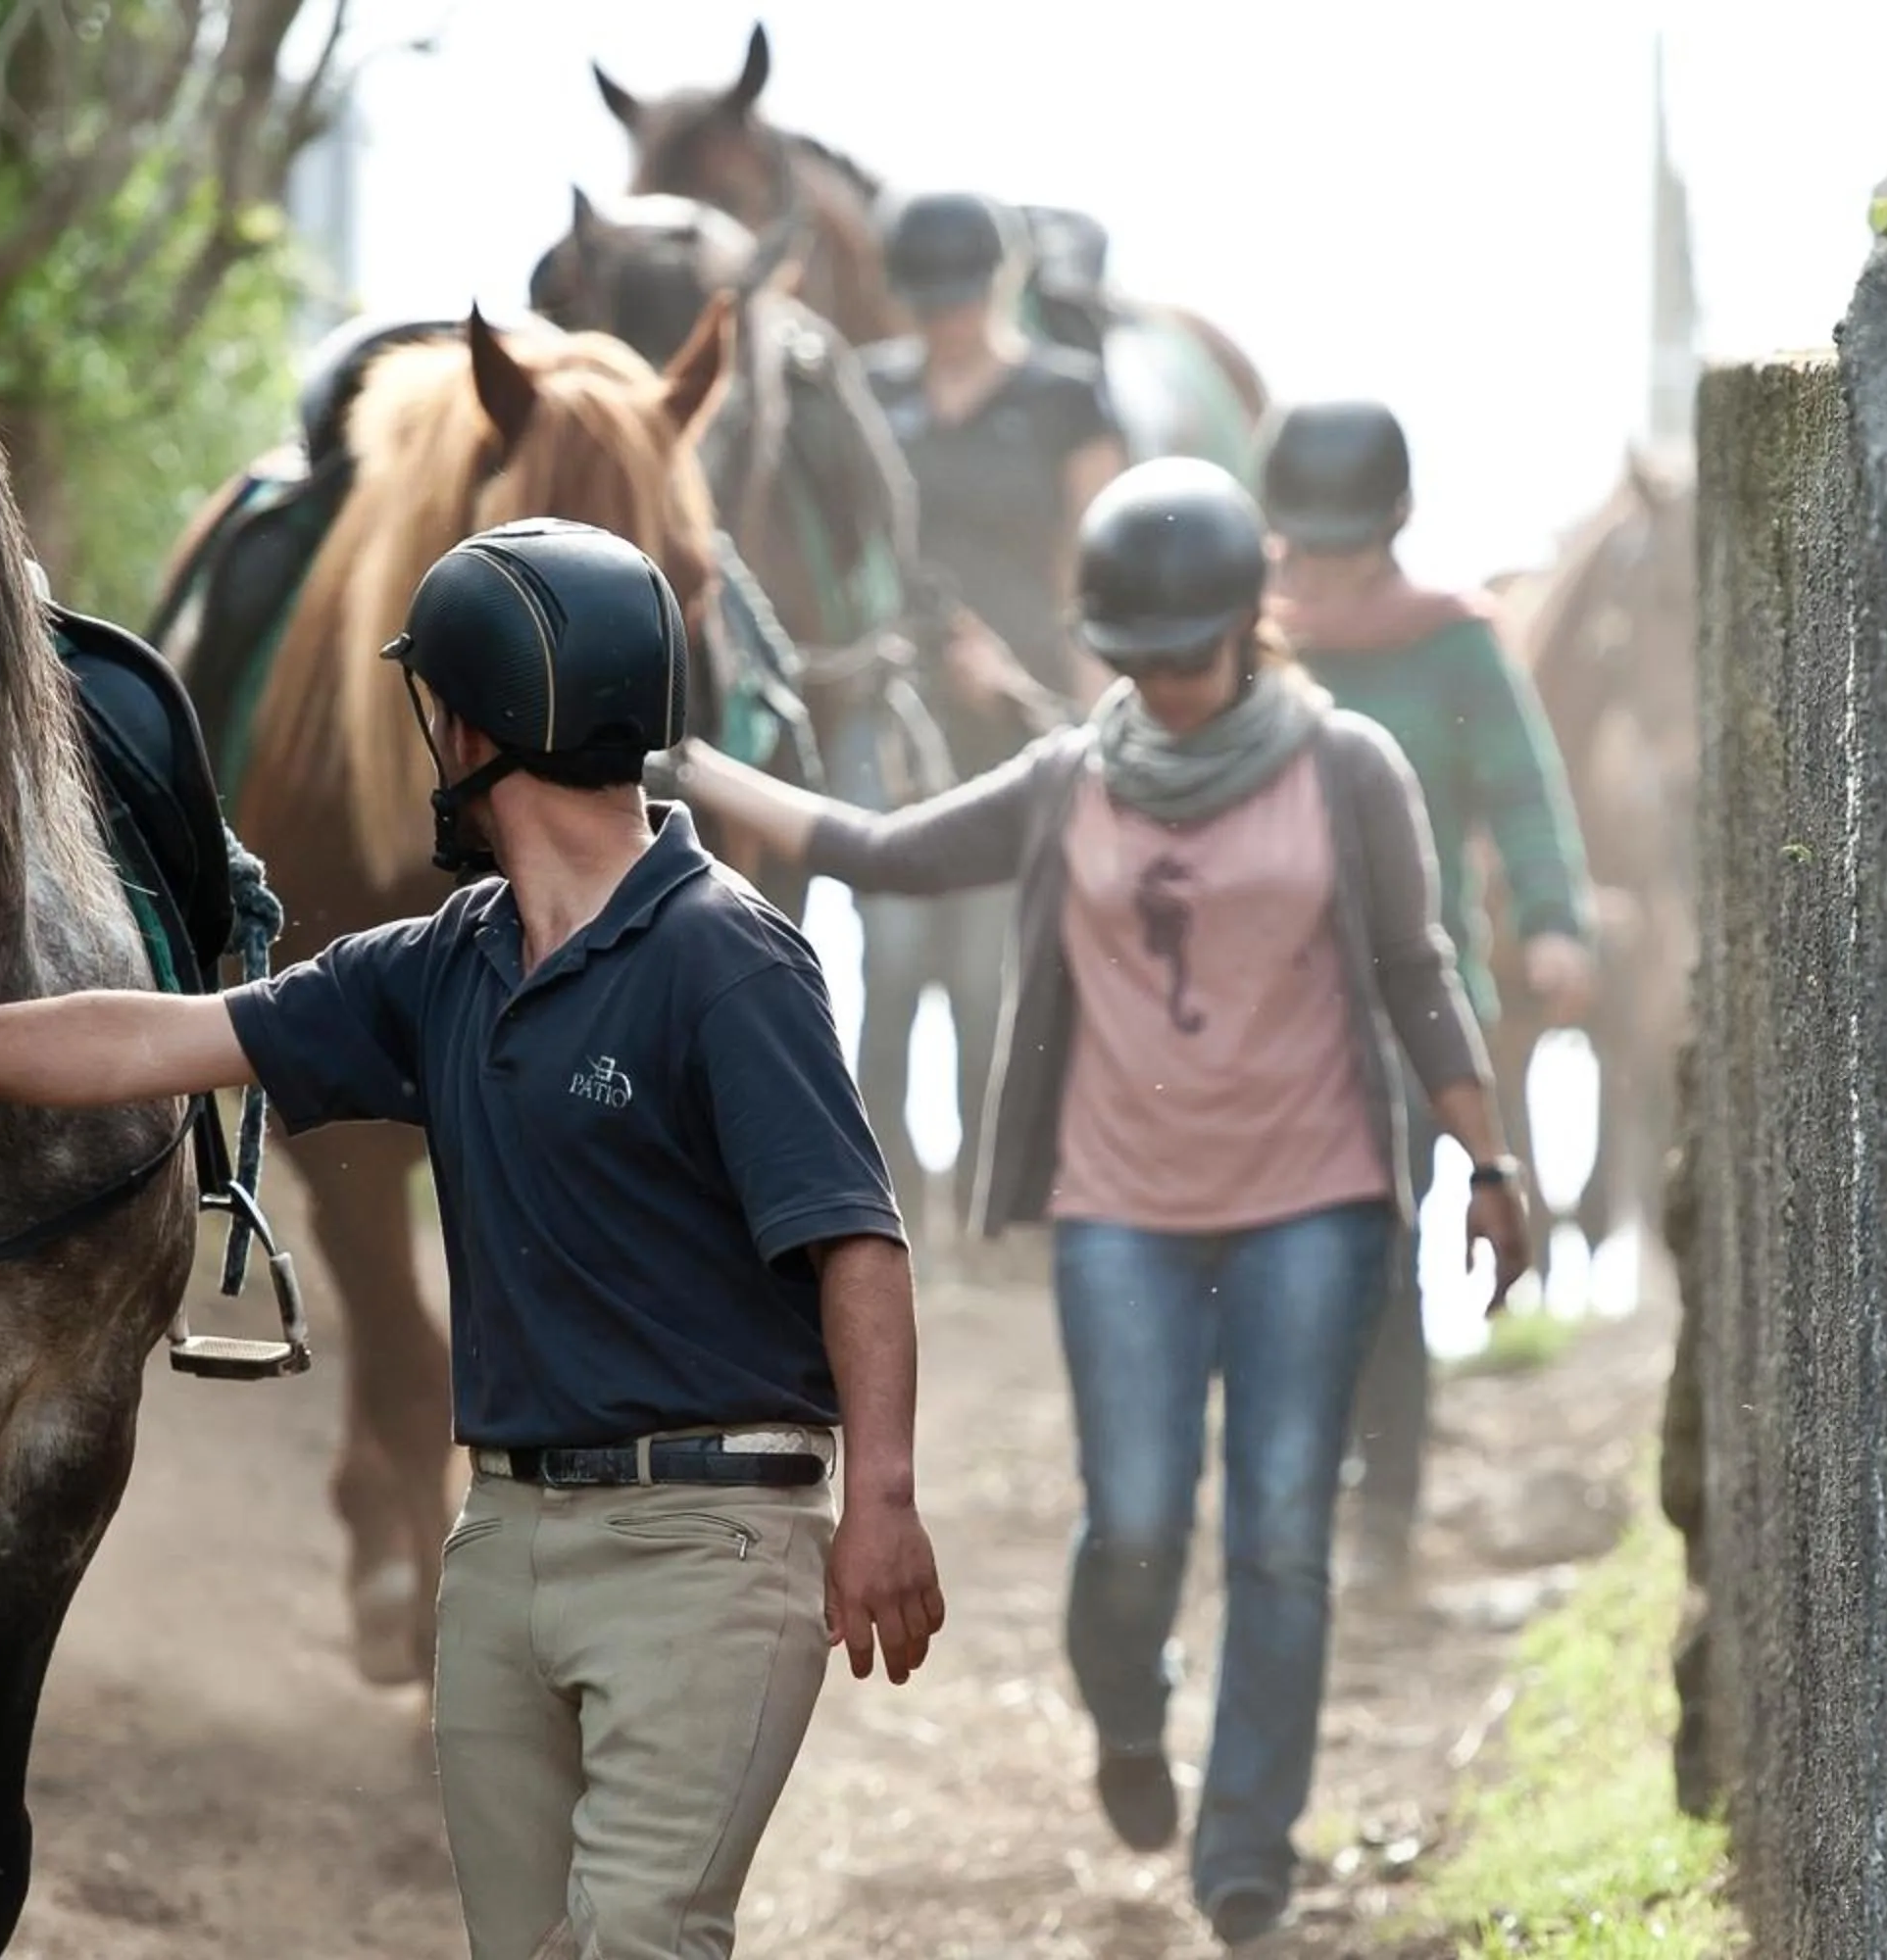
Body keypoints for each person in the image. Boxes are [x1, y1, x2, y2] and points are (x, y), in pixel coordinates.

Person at [0, 518, 944, 1960]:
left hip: (710, 1545)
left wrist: (879, 1497)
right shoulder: (447, 964)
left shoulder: (728, 959)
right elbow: (152, 1038)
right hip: (504, 1543)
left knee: (642, 1936)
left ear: (478, 725)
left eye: (436, 710)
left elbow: (854, 1239)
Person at [668, 460, 1532, 1949]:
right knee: (1133, 1519)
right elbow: (883, 853)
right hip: (1123, 1211)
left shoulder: (1349, 771)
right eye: (1139, 661)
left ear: (1247, 629)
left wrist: (1489, 1162)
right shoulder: (1073, 776)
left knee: (1277, 1528)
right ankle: (1129, 1717)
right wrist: (678, 763)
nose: (1171, 688)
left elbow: (1416, 973)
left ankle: (1246, 1857)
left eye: (1189, 656)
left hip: (1313, 1205)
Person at [1260, 400, 1595, 1599]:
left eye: (1346, 540)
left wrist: (1556, 918)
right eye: (1310, 539)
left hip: (1404, 1003)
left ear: (1393, 524)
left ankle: (1384, 1510)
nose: (1329, 565)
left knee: (1384, 1253)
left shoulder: (1454, 645)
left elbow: (1522, 791)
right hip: (1251, 1010)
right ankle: (1281, 1494)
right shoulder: (1243, 635)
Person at [854, 190, 1128, 1241]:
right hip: (894, 711)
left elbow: (1088, 553)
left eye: (962, 297)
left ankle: (987, 1203)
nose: (948, 319)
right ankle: (883, 1208)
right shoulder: (873, 389)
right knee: (886, 959)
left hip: (1016, 715)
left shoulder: (1065, 397)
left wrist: (1060, 691)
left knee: (983, 973)